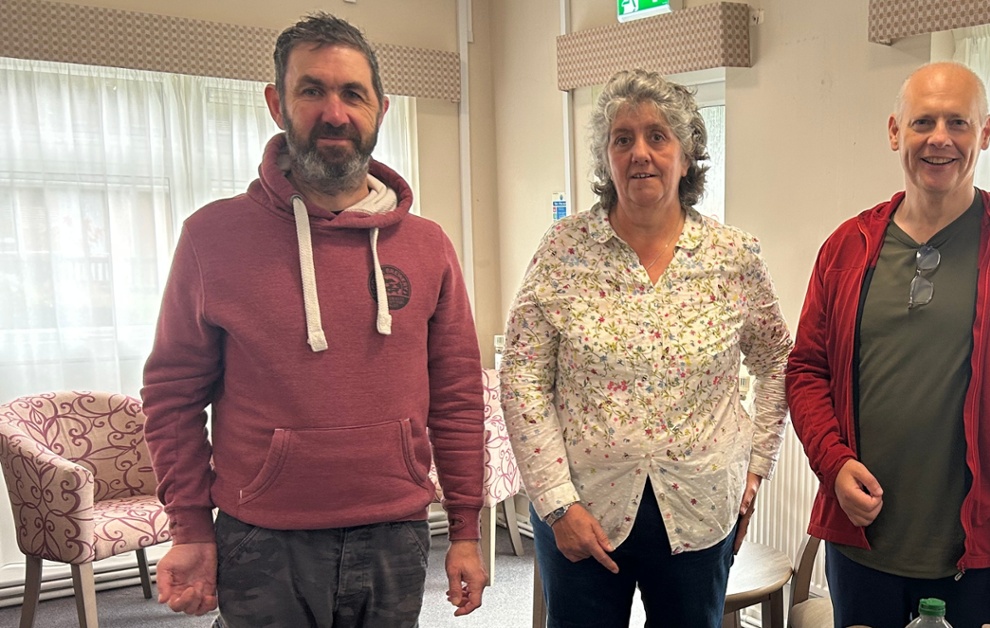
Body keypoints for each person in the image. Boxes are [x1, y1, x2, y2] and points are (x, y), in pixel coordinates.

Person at [140, 13, 487, 626]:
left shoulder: (428, 247)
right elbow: (172, 395)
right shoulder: (211, 238)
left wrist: (465, 527)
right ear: (277, 103)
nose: (335, 112)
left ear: (380, 107)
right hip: (263, 539)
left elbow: (457, 396)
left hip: (396, 532)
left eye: (353, 93)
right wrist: (191, 527)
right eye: (312, 91)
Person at [787, 61, 990, 628]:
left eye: (958, 123)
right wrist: (833, 462)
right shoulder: (847, 247)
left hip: (979, 552)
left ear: (985, 133)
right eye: (923, 122)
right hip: (863, 544)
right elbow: (806, 370)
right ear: (895, 132)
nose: (939, 138)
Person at [500, 68, 792, 628]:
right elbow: (522, 377)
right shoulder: (563, 252)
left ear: (686, 156)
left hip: (699, 504)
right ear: (605, 159)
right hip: (581, 505)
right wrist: (557, 503)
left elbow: (777, 356)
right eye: (622, 138)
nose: (640, 153)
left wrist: (756, 465)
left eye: (658, 136)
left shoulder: (733, 258)